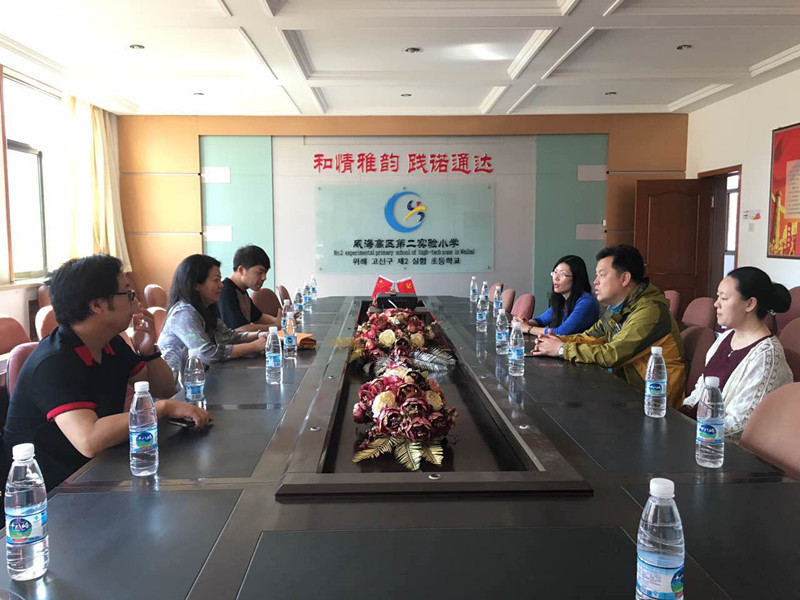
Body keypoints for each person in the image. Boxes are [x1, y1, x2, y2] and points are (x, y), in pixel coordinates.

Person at [3, 255, 211, 489]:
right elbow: (89, 439)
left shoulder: (110, 343)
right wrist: (162, 409)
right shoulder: (54, 361)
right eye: (127, 293)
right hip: (49, 493)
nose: (135, 301)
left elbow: (163, 388)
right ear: (97, 305)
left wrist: (148, 350)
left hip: (97, 471)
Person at [533, 244, 686, 408]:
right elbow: (591, 336)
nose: (595, 281)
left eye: (602, 274)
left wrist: (561, 349)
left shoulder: (649, 312)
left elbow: (613, 354)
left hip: (654, 402)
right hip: (624, 390)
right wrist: (553, 341)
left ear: (624, 279)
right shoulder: (617, 308)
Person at [680, 267, 793, 439]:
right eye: (718, 296)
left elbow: (738, 426)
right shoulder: (726, 337)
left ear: (750, 304)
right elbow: (702, 387)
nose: (716, 304)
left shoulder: (766, 356)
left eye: (724, 298)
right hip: (700, 430)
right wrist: (684, 412)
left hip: (720, 444)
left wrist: (693, 431)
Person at [158, 254, 268, 375]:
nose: (221, 285)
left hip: (202, 377)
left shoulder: (206, 308)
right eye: (216, 280)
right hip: (178, 383)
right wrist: (254, 346)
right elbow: (207, 354)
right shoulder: (183, 313)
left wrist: (258, 335)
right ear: (196, 285)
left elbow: (227, 336)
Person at [514, 255, 599, 336]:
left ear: (576, 279)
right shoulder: (562, 299)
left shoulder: (586, 302)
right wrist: (524, 323)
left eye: (562, 274)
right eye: (555, 272)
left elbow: (562, 332)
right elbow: (541, 320)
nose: (555, 278)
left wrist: (528, 328)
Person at [218, 245, 281, 332]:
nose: (264, 278)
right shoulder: (226, 292)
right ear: (241, 270)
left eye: (265, 273)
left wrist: (281, 321)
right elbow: (240, 329)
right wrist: (275, 326)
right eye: (260, 272)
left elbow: (259, 317)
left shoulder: (242, 291)